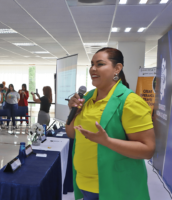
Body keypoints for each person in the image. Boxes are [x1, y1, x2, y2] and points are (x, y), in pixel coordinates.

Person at [65, 47, 155, 200]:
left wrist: (107, 142)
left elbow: (148, 150)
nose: (93, 69)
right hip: (84, 183)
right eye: (92, 64)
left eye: (100, 64)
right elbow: (72, 133)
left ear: (117, 68)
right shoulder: (87, 97)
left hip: (115, 186)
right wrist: (73, 113)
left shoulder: (130, 102)